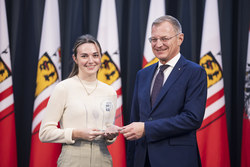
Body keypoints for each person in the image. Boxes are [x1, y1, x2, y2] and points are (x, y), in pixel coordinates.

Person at [120, 15, 207, 167]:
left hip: (176, 160)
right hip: (142, 159)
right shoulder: (143, 74)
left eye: (164, 38)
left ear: (180, 38)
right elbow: (136, 119)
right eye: (154, 39)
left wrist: (147, 129)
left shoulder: (195, 72)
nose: (158, 44)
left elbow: (192, 118)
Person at [39, 34, 120, 167]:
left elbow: (109, 136)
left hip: (103, 160)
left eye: (95, 55)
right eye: (84, 56)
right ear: (75, 59)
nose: (91, 60)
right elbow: (44, 133)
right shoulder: (63, 88)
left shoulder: (109, 92)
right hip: (72, 160)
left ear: (100, 57)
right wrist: (76, 133)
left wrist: (110, 135)